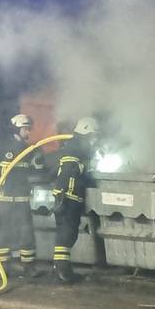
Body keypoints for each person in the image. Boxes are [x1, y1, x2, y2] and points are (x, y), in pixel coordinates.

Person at [0, 113, 44, 276]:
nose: (28, 132)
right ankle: (3, 266)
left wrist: (39, 161)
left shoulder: (29, 150)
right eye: (25, 129)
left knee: (26, 232)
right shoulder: (0, 146)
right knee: (4, 232)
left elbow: (38, 171)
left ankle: (28, 266)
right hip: (3, 199)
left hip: (22, 199)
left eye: (29, 129)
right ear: (16, 129)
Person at [51, 117, 98, 283]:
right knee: (67, 233)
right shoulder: (77, 149)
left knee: (67, 232)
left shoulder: (74, 147)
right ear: (86, 133)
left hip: (66, 196)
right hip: (68, 197)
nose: (94, 139)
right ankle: (62, 270)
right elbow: (72, 173)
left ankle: (61, 267)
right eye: (93, 136)